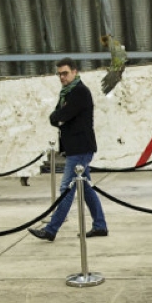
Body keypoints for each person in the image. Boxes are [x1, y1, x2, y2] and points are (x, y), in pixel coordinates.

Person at [29, 58, 108, 241]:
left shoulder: (79, 92)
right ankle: (100, 225)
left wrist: (59, 117)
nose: (62, 77)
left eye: (65, 73)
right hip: (76, 148)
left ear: (74, 71)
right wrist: (58, 117)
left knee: (67, 188)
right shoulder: (67, 92)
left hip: (80, 148)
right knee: (86, 188)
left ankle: (51, 230)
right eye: (59, 74)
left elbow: (62, 115)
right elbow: (56, 117)